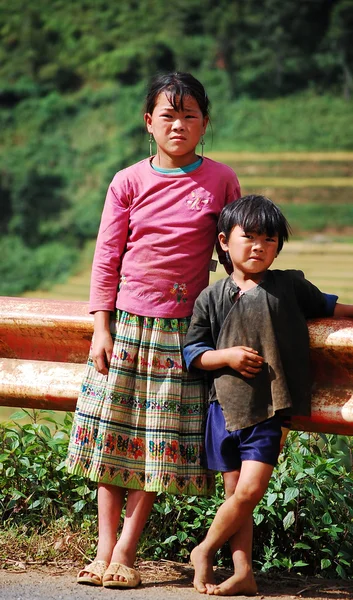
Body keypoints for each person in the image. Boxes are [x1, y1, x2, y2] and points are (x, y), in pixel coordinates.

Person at [66, 71, 241, 589]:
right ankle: (102, 551)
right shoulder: (127, 181)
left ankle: (126, 552)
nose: (179, 124)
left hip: (181, 333)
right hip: (124, 327)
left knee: (156, 443)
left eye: (189, 115)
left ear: (205, 122)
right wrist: (102, 327)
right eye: (168, 114)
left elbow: (233, 252)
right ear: (149, 122)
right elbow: (106, 257)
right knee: (114, 437)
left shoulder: (221, 180)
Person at [183, 194, 353, 596]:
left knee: (249, 491)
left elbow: (337, 308)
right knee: (235, 497)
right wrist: (224, 356)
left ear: (278, 247)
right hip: (222, 407)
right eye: (250, 237)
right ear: (225, 241)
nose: (259, 246)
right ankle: (243, 572)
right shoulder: (211, 297)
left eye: (269, 239)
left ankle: (203, 550)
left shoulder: (290, 285)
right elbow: (193, 352)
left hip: (270, 407)